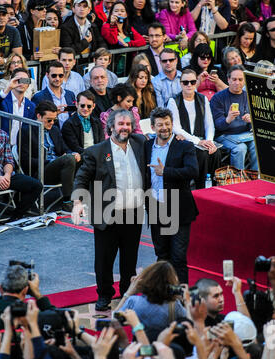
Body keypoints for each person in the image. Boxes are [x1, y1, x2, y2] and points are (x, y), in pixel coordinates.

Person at [72, 109, 146, 311]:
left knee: (130, 260)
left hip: (133, 212)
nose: (125, 128)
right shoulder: (96, 151)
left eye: (128, 124)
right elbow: (82, 178)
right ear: (111, 126)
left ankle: (126, 294)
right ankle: (104, 295)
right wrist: (78, 202)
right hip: (107, 213)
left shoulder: (141, 144)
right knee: (104, 260)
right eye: (121, 124)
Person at [145, 107, 199, 283]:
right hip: (155, 207)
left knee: (178, 258)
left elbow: (193, 171)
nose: (164, 128)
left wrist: (165, 171)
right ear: (152, 127)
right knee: (161, 256)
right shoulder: (146, 146)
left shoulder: (184, 145)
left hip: (178, 208)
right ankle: (162, 293)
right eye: (160, 125)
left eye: (167, 124)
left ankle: (182, 298)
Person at [0, 98, 42, 226]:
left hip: (3, 174)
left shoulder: (2, 134)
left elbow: (8, 159)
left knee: (36, 185)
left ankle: (15, 217)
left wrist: (6, 175)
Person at [0, 264, 54, 358]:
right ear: (25, 291)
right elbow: (59, 319)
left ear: (0, 288)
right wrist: (37, 294)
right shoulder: (31, 315)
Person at [20, 100, 78, 213]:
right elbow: (25, 160)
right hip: (41, 170)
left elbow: (64, 149)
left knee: (87, 155)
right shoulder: (26, 131)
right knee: (68, 159)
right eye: (49, 120)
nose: (52, 123)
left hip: (60, 166)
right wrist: (49, 161)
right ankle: (67, 202)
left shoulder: (55, 130)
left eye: (54, 120)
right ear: (38, 116)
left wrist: (73, 153)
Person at [167, 69, 221, 189]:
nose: (189, 85)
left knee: (215, 152)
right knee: (202, 155)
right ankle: (201, 188)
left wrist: (210, 141)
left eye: (192, 82)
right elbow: (176, 128)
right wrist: (197, 141)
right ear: (180, 83)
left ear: (197, 82)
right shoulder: (173, 101)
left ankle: (215, 186)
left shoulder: (203, 99)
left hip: (202, 140)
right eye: (185, 82)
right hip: (184, 141)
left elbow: (209, 124)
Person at [115, 261, 187, 341]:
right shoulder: (174, 305)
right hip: (164, 344)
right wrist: (186, 301)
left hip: (138, 344)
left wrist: (128, 293)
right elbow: (188, 322)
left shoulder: (133, 301)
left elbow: (114, 320)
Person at [210, 65, 258, 170]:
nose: (237, 83)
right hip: (224, 134)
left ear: (244, 81)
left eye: (240, 79)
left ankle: (256, 177)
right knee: (240, 148)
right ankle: (238, 181)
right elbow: (217, 125)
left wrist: (251, 120)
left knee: (257, 144)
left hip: (244, 133)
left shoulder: (248, 96)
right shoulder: (218, 98)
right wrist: (228, 119)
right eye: (234, 79)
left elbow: (256, 123)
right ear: (228, 80)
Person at [0, 68, 36, 145]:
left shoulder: (31, 106)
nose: (21, 83)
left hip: (20, 149)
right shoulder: (1, 97)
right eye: (18, 80)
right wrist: (8, 88)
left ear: (28, 85)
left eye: (25, 80)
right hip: (0, 145)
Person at [32, 60, 76, 129]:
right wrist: (54, 114)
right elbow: (35, 121)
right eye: (54, 75)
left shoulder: (70, 94)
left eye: (60, 75)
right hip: (51, 136)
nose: (57, 79)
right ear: (47, 75)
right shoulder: (39, 97)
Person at [62, 90, 105, 155]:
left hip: (97, 156)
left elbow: (101, 143)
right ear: (76, 104)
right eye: (82, 105)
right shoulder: (68, 124)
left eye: (89, 106)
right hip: (81, 158)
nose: (85, 109)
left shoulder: (97, 122)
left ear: (93, 106)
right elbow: (74, 147)